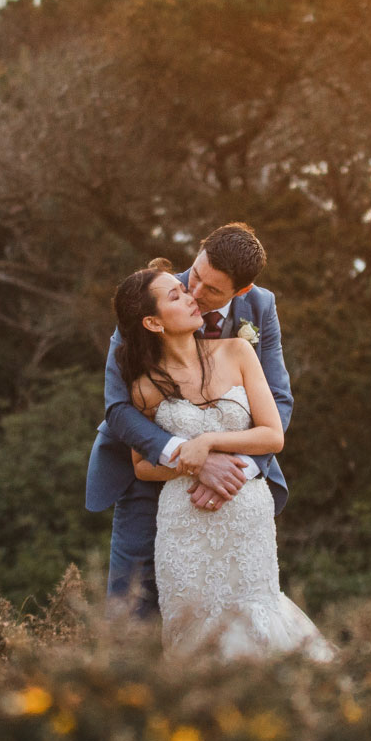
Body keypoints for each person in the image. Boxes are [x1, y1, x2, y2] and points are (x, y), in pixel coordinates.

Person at [105, 258, 327, 658]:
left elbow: (274, 422)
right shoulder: (145, 385)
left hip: (245, 514)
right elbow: (133, 447)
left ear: (237, 291)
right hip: (183, 520)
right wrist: (193, 463)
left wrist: (211, 446)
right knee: (171, 627)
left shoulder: (240, 345)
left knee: (259, 624)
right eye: (178, 291)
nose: (191, 294)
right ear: (153, 323)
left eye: (204, 289)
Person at [84, 223, 293, 619]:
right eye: (194, 275)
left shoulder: (260, 308)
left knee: (239, 611)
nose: (195, 294)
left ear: (241, 291)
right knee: (134, 604)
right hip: (150, 464)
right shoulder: (152, 297)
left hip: (238, 483)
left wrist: (237, 467)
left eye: (212, 290)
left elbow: (278, 399)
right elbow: (118, 408)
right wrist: (188, 455)